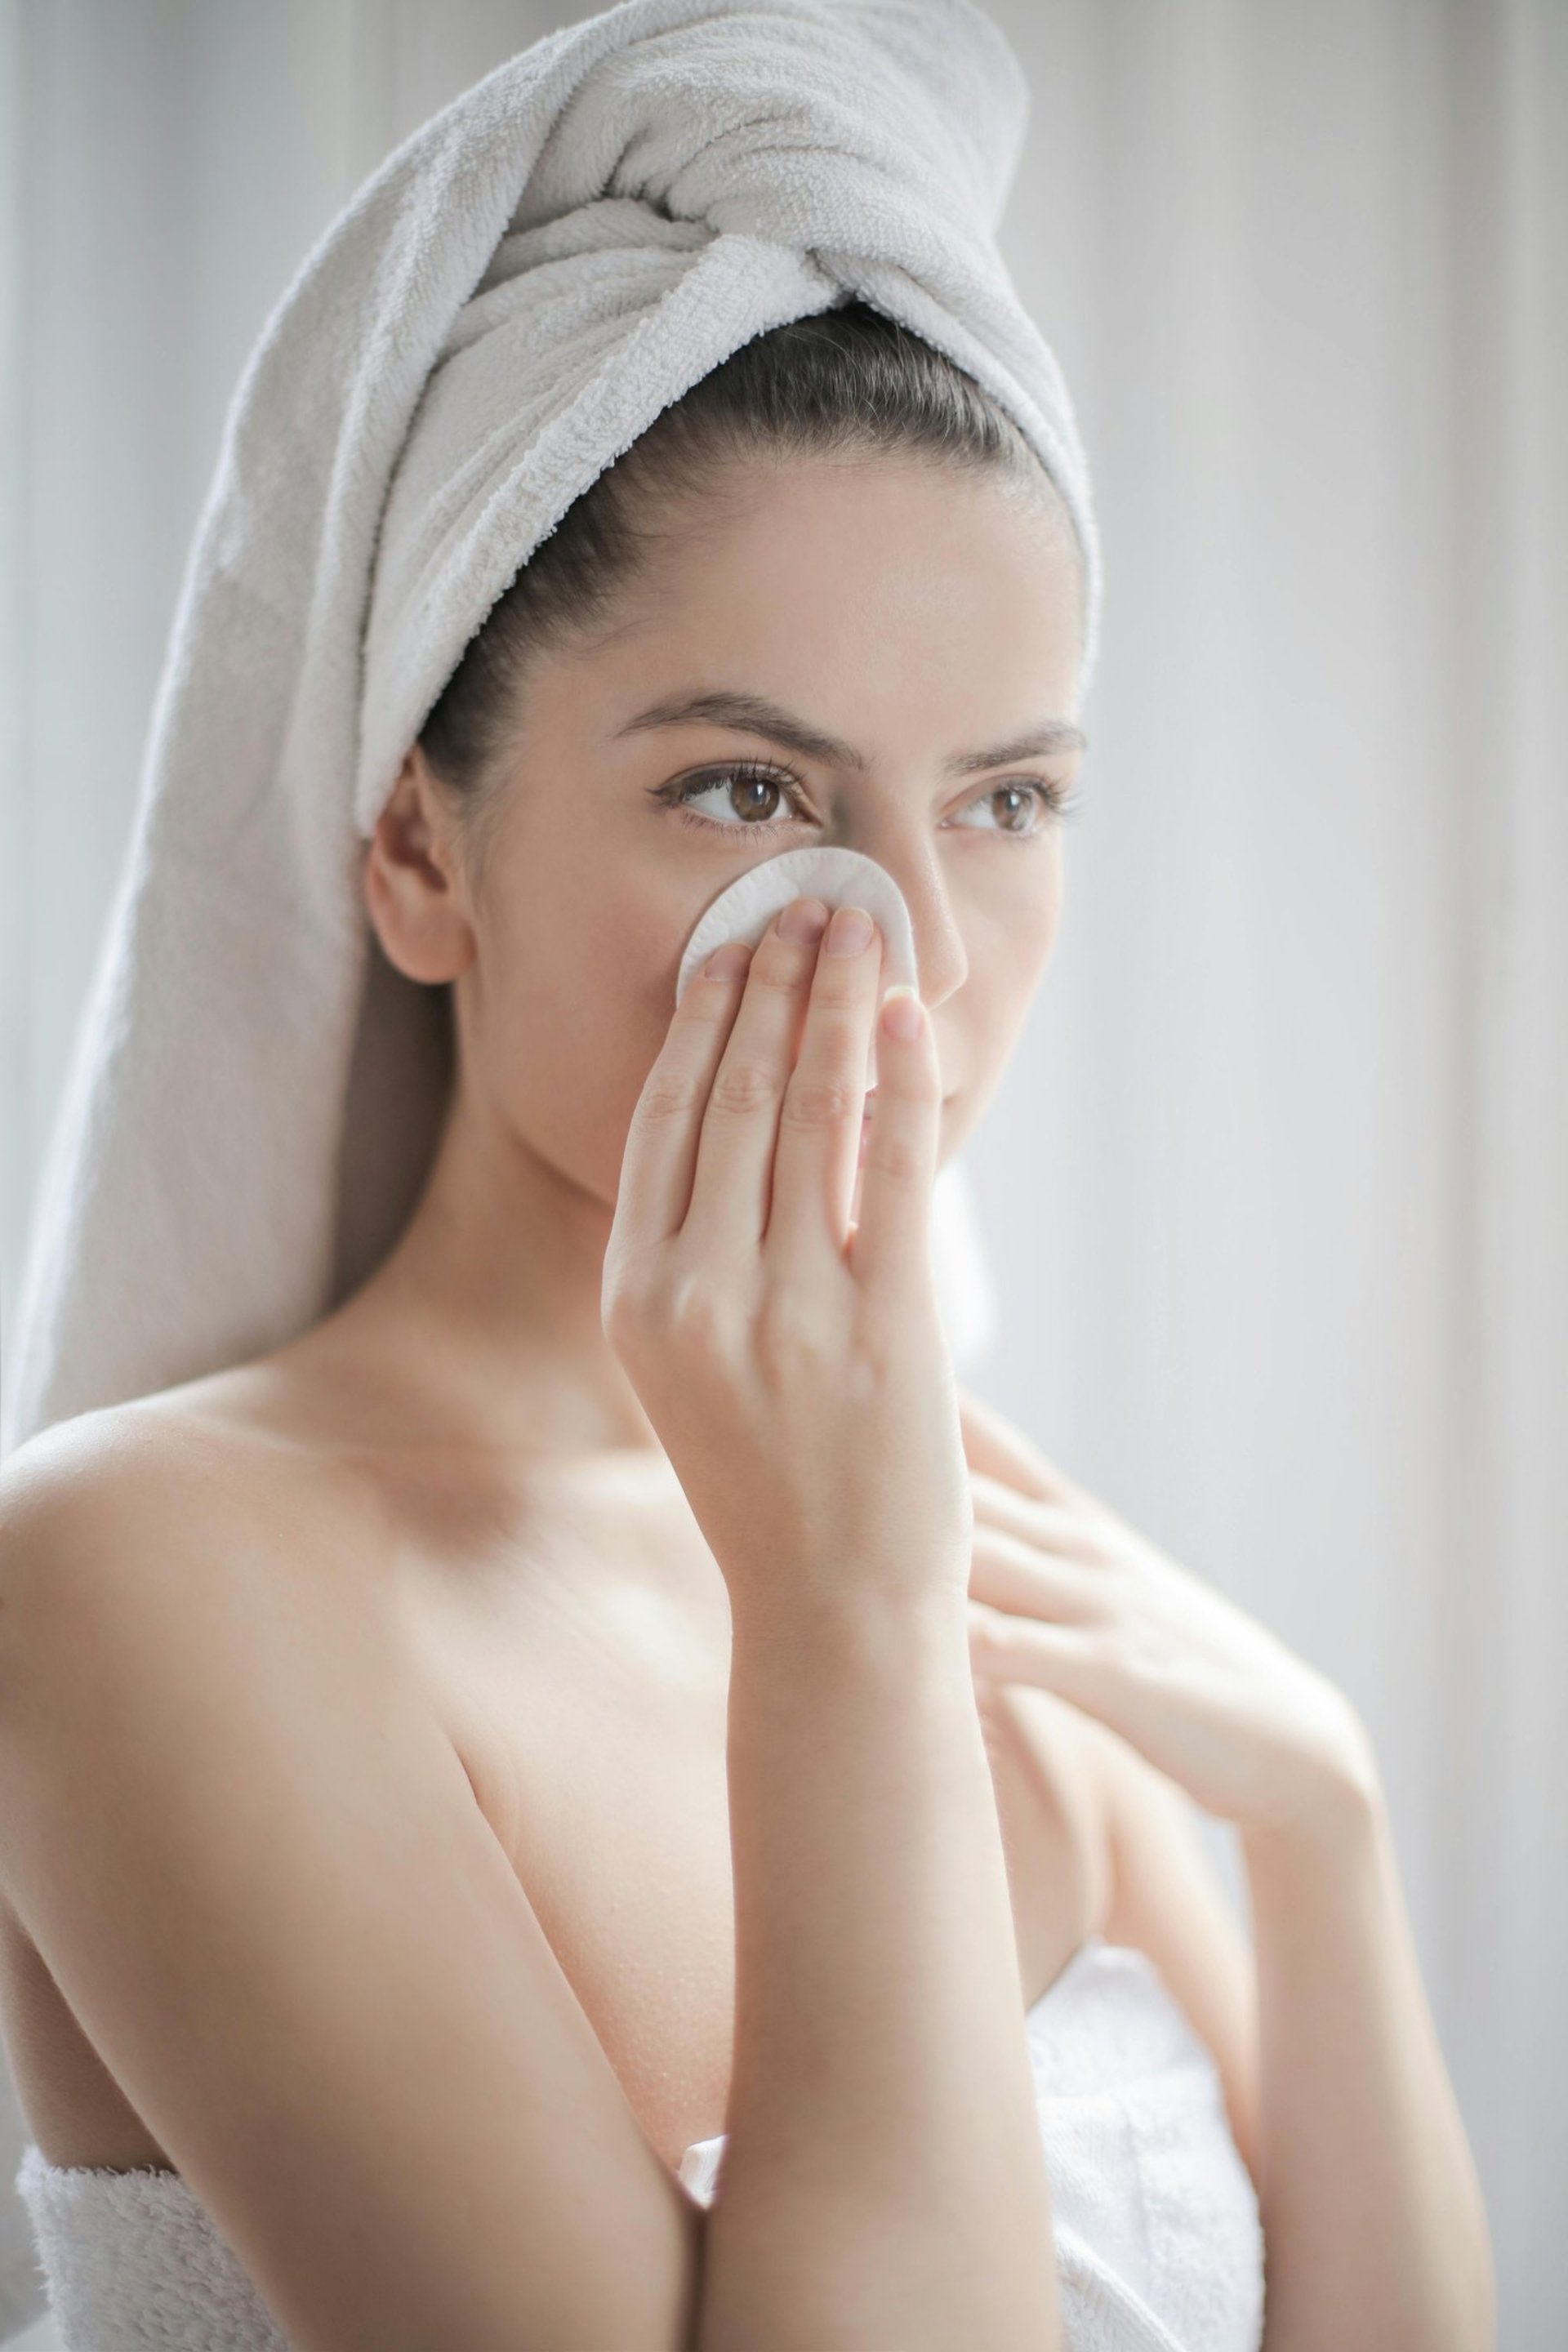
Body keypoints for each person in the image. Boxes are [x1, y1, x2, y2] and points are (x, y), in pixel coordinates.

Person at [0, 10, 1493, 2352]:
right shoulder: (146, 1575)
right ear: (418, 850)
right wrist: (839, 1639)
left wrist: (1322, 1836)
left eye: (1004, 802)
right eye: (749, 795)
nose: (896, 950)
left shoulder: (978, 1548)